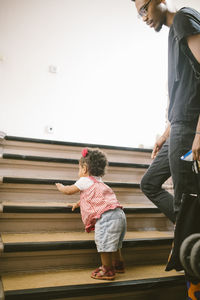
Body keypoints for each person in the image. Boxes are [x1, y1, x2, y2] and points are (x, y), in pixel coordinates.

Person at [131, 0, 200, 225]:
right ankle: (187, 233)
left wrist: (199, 133)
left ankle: (185, 250)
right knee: (149, 183)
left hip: (190, 129)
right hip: (177, 128)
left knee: (185, 199)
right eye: (139, 14)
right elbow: (184, 92)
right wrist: (165, 133)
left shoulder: (184, 19)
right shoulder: (174, 33)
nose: (144, 18)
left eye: (144, 9)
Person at [56, 148, 127, 281]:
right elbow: (91, 198)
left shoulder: (84, 180)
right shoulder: (99, 182)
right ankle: (118, 264)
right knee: (115, 243)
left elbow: (69, 190)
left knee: (104, 244)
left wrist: (61, 187)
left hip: (106, 217)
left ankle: (107, 270)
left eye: (78, 168)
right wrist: (78, 203)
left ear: (84, 168)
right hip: (119, 214)